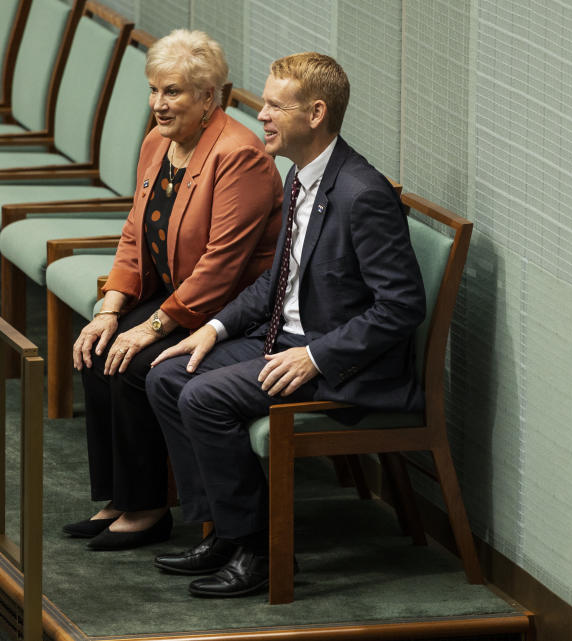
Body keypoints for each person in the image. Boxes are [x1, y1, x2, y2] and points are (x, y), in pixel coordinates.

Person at [146, 52, 426, 598]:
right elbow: (276, 284)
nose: (263, 117)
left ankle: (262, 552)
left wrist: (314, 357)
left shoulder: (360, 193)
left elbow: (401, 306)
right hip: (285, 339)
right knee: (168, 374)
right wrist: (214, 329)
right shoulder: (300, 174)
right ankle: (224, 533)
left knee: (204, 397)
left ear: (316, 113)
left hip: (338, 365)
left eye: (276, 106)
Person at [64, 29, 283, 551]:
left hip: (231, 310)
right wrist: (111, 309)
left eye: (173, 92)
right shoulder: (157, 144)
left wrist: (150, 329)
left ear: (209, 97)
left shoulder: (239, 156)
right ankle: (120, 496)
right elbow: (135, 234)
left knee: (138, 364)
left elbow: (220, 269)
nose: (158, 105)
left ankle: (149, 510)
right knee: (98, 348)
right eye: (154, 90)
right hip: (174, 292)